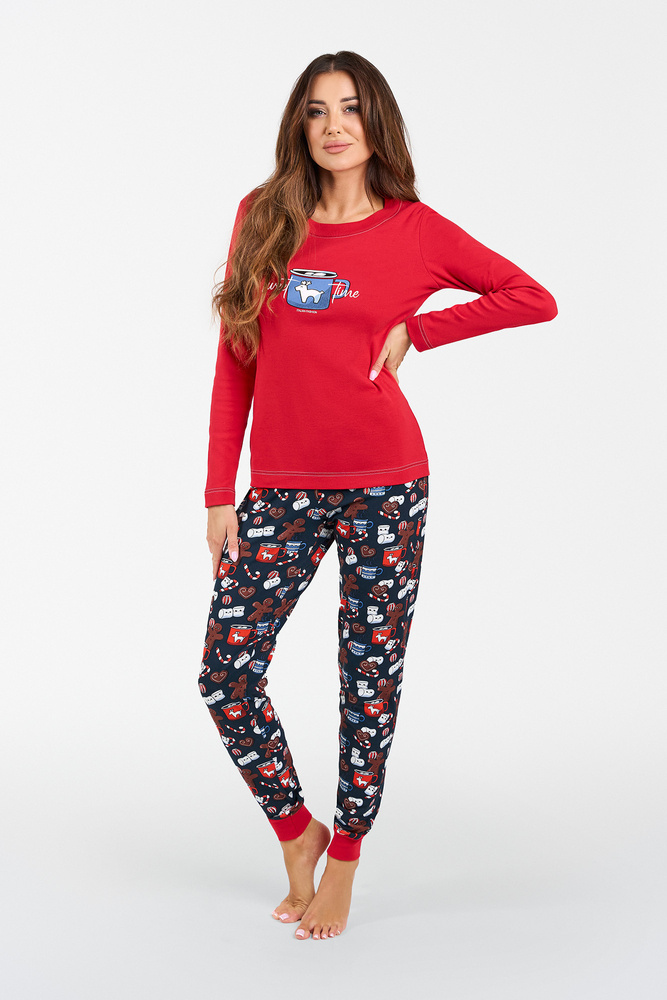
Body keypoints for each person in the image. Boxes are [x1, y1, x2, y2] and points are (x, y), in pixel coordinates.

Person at [199, 50, 558, 942]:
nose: (333, 126)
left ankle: (346, 859)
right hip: (280, 489)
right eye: (317, 110)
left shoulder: (414, 230)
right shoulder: (262, 216)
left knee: (368, 679)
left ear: (376, 123)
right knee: (225, 675)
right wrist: (218, 492)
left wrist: (418, 333)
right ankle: (297, 831)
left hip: (385, 487)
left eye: (351, 109)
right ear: (299, 124)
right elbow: (235, 359)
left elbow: (530, 296)